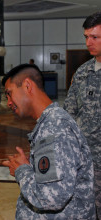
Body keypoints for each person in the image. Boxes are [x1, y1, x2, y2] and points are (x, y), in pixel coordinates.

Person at [2, 64, 96, 219]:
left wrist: (22, 171)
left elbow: (51, 197)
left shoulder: (54, 128)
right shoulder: (51, 122)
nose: (9, 102)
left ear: (27, 85)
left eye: (9, 94)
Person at [63, 11, 101, 219]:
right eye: (86, 37)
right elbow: (69, 111)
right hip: (85, 162)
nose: (88, 42)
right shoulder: (83, 72)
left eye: (94, 37)